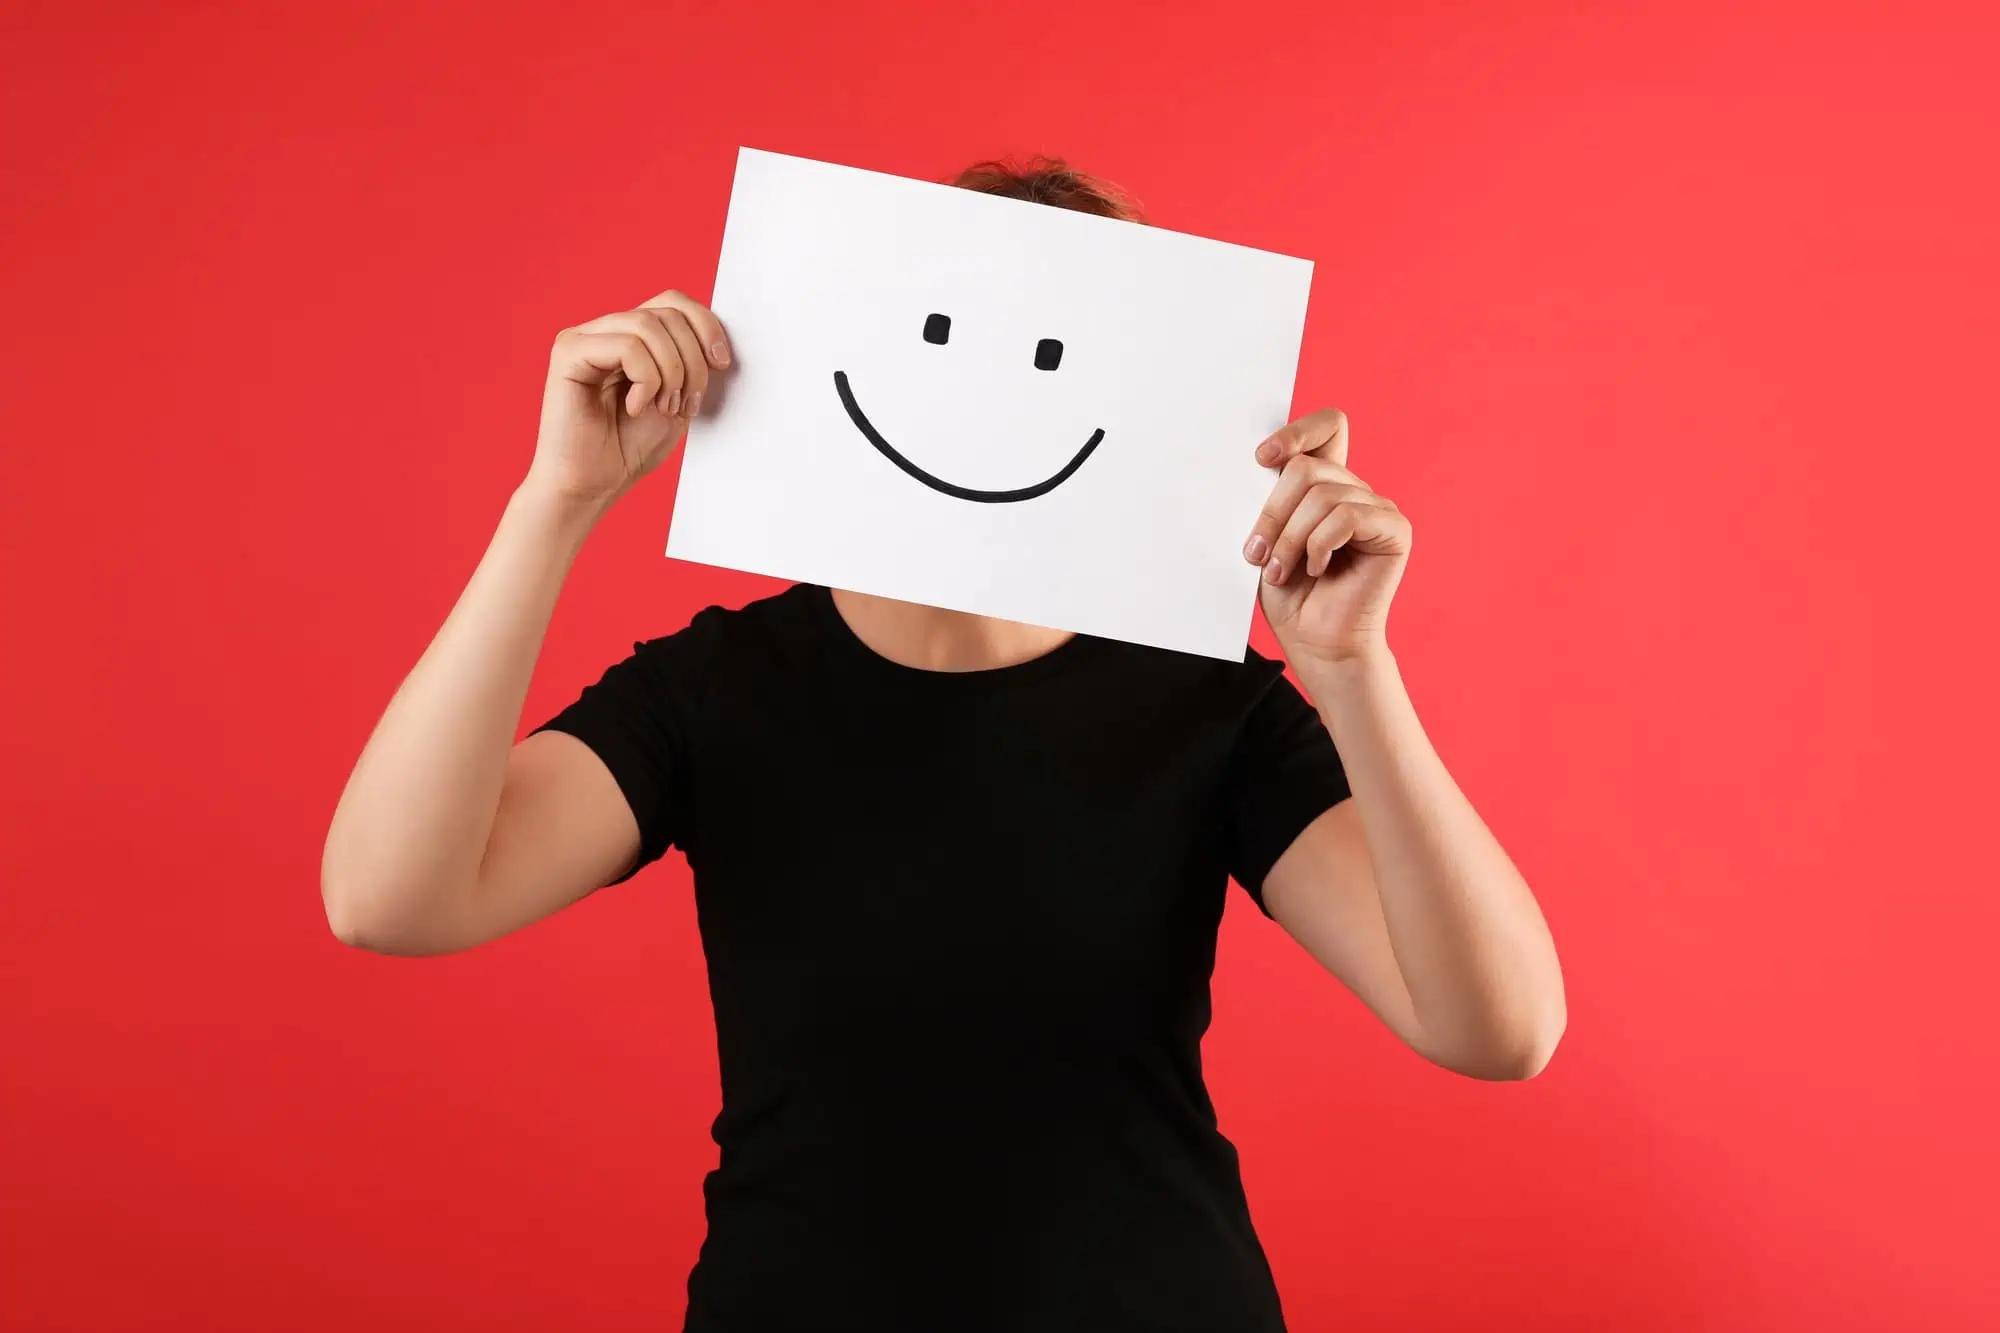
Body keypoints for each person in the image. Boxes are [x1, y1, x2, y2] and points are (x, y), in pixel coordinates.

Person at [321, 157, 1567, 1333]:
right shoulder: (720, 686)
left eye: (1052, 359)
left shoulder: (1211, 705)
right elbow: (391, 898)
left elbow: (1496, 1030)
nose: (992, 397)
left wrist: (1350, 671)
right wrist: (556, 500)